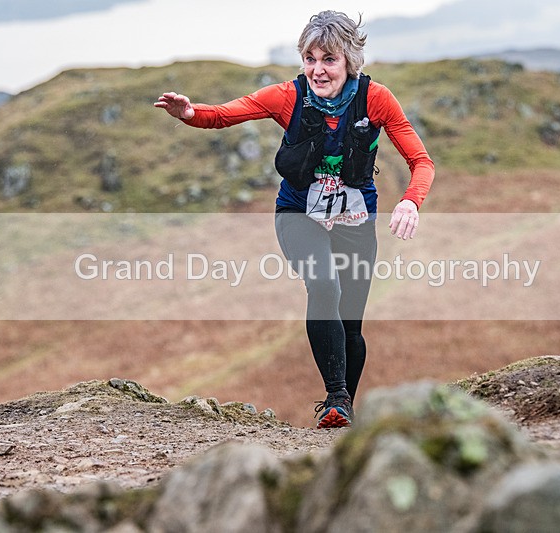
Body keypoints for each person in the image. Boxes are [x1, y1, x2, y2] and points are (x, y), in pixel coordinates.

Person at [155, 10, 434, 428]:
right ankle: (335, 396)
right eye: (310, 58)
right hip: (298, 213)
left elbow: (421, 162)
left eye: (329, 59)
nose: (317, 70)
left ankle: (343, 409)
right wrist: (189, 113)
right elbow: (226, 114)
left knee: (350, 322)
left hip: (355, 218)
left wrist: (411, 201)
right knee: (324, 283)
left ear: (350, 61)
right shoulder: (288, 96)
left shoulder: (376, 99)